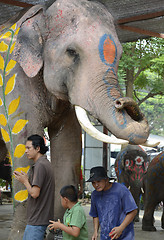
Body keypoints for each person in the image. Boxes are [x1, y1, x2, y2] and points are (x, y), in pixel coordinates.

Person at [13, 134, 55, 240]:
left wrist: (25, 181)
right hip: (38, 220)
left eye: (28, 148)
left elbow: (35, 193)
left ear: (38, 148)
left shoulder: (40, 166)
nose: (26, 151)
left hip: (37, 220)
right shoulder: (45, 163)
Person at [87, 166, 138, 240]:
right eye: (93, 182)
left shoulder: (121, 190)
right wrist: (95, 232)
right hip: (106, 236)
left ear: (106, 180)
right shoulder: (95, 195)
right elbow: (95, 215)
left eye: (98, 181)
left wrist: (121, 228)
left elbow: (133, 211)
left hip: (124, 236)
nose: (96, 185)